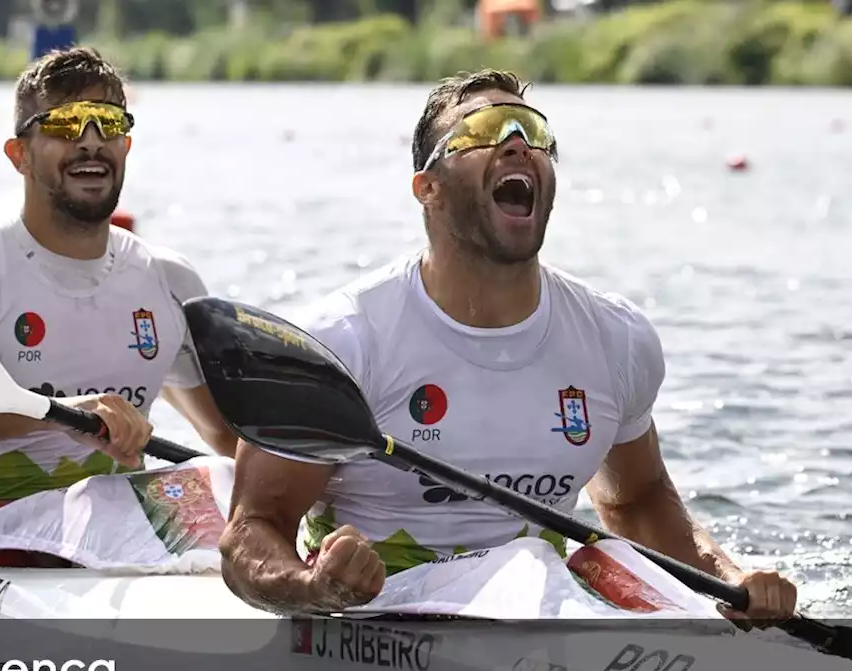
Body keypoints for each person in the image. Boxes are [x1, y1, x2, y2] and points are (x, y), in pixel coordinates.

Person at [218, 69, 798, 624]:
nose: (518, 144)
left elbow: (636, 502)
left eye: (535, 133)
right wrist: (314, 588)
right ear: (429, 188)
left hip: (539, 604)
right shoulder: (342, 341)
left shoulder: (616, 339)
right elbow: (252, 532)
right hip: (380, 614)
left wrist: (731, 578)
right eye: (483, 130)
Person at [0, 46, 237, 566]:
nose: (91, 143)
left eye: (107, 124)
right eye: (66, 126)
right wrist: (60, 416)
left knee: (236, 496)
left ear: (126, 144)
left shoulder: (168, 281)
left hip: (116, 521)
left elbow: (229, 439)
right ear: (19, 155)